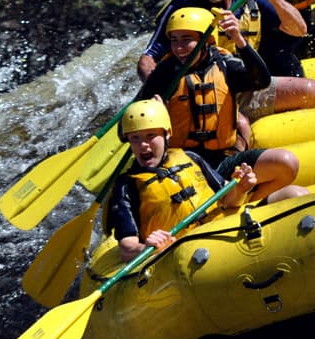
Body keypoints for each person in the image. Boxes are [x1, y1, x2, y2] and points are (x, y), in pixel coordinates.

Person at [138, 0, 315, 122]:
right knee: (239, 122)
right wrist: (158, 92)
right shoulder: (182, 7)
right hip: (199, 94)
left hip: (243, 83)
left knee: (309, 90)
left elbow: (299, 29)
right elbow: (147, 59)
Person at [137, 6, 308, 207]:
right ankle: (228, 201)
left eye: (187, 40)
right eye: (174, 40)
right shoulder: (165, 74)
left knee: (287, 162)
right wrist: (154, 114)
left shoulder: (225, 65)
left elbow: (261, 81)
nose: (179, 48)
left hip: (222, 160)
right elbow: (131, 126)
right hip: (184, 166)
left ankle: (243, 204)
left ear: (206, 40)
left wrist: (240, 41)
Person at [107, 99, 258, 262]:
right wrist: (147, 248)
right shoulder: (127, 185)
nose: (143, 145)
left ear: (167, 134)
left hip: (223, 231)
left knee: (289, 193)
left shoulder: (190, 157)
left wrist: (240, 189)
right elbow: (127, 248)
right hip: (186, 253)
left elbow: (229, 202)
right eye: (135, 138)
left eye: (150, 135)